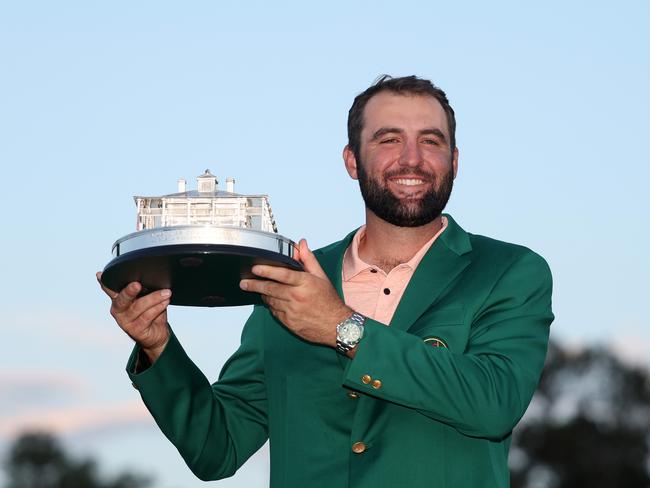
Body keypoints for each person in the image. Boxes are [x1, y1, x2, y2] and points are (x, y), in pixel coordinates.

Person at [98, 75, 554, 487]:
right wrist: (159, 347)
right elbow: (217, 448)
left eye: (430, 141)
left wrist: (342, 327)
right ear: (352, 161)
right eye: (389, 139)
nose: (412, 159)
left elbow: (494, 404)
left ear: (454, 161)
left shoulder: (508, 271)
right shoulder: (286, 281)